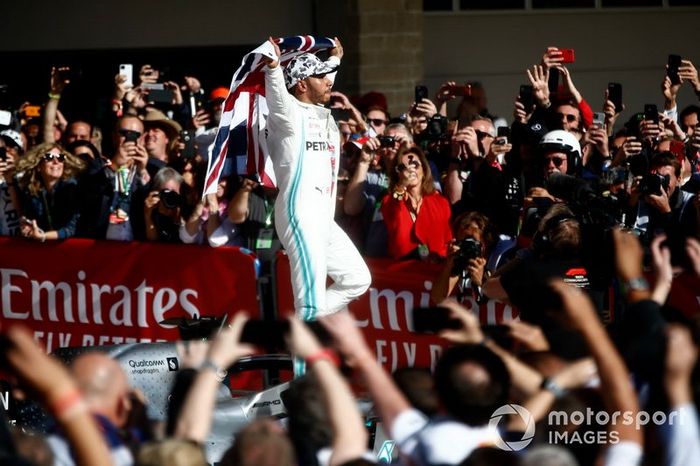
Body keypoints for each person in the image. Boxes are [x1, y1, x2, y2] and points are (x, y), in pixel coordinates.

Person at [263, 36, 370, 321]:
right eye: (321, 77)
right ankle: (306, 359)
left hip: (322, 217)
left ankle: (304, 325)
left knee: (357, 278)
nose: (329, 81)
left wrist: (335, 60)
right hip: (299, 214)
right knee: (309, 303)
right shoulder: (288, 114)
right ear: (301, 85)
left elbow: (322, 78)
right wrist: (273, 68)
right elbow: (276, 95)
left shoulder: (320, 111)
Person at [381, 146, 452, 260]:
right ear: (398, 174)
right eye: (403, 167)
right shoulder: (390, 200)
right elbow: (393, 207)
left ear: (423, 170)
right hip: (403, 270)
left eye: (415, 164)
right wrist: (402, 185)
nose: (410, 169)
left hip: (434, 269)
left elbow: (447, 240)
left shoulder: (441, 202)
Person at [15, 142, 85, 241]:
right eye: (49, 157)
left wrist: (43, 236)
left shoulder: (72, 188)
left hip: (75, 248)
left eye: (60, 157)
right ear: (38, 165)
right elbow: (29, 218)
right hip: (46, 250)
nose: (56, 162)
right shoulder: (33, 190)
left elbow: (71, 228)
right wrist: (28, 227)